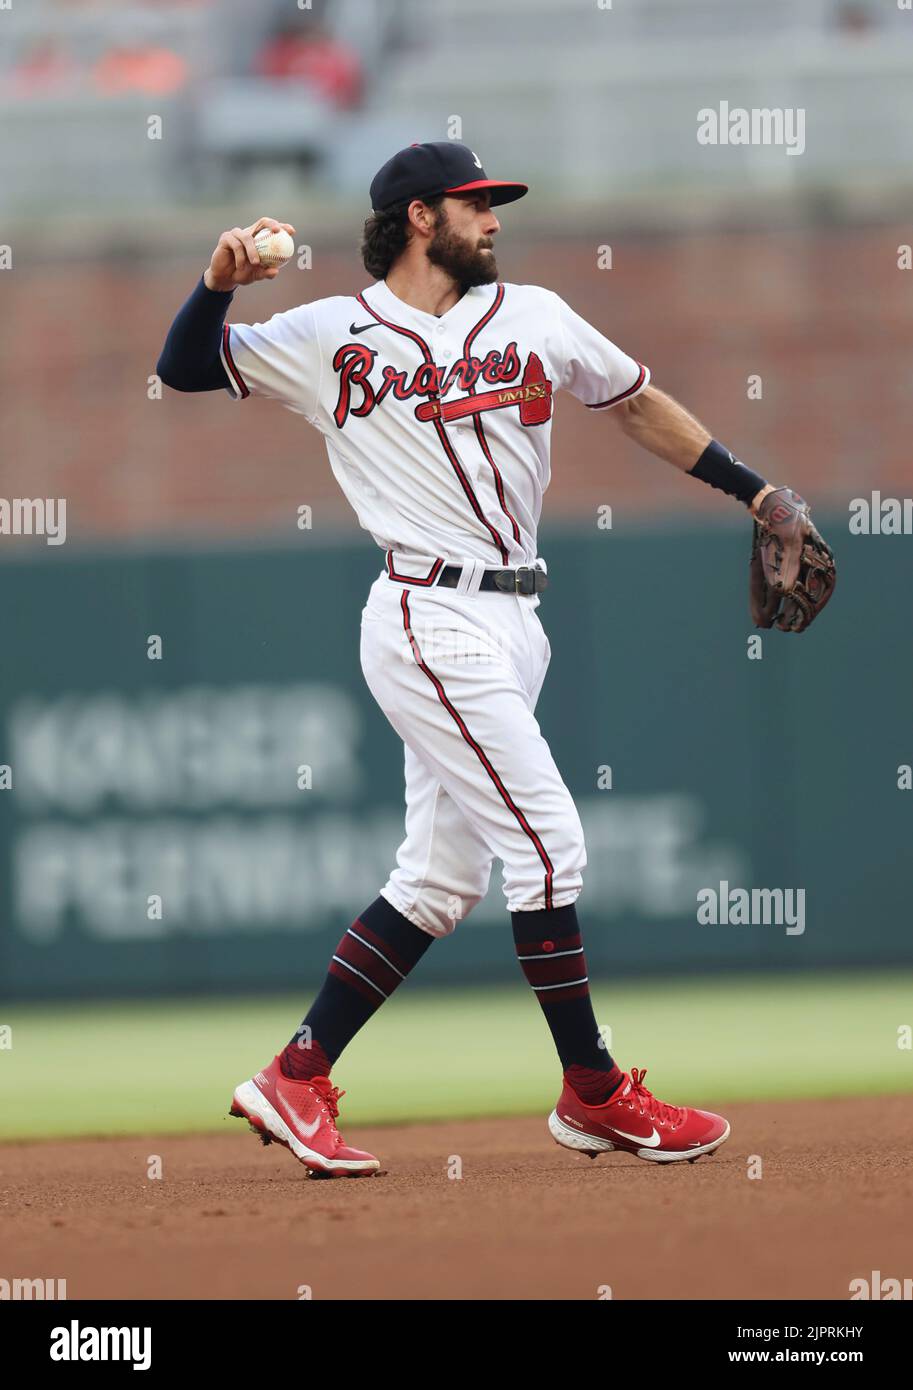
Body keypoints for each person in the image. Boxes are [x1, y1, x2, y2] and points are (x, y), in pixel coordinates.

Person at [156, 141, 810, 1177]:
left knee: (437, 880)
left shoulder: (536, 315)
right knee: (548, 846)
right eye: (476, 204)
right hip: (425, 611)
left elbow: (636, 400)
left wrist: (758, 491)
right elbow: (186, 368)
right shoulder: (330, 332)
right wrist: (213, 286)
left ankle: (293, 1075)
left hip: (516, 618)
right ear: (420, 217)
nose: (494, 219)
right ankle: (593, 1091)